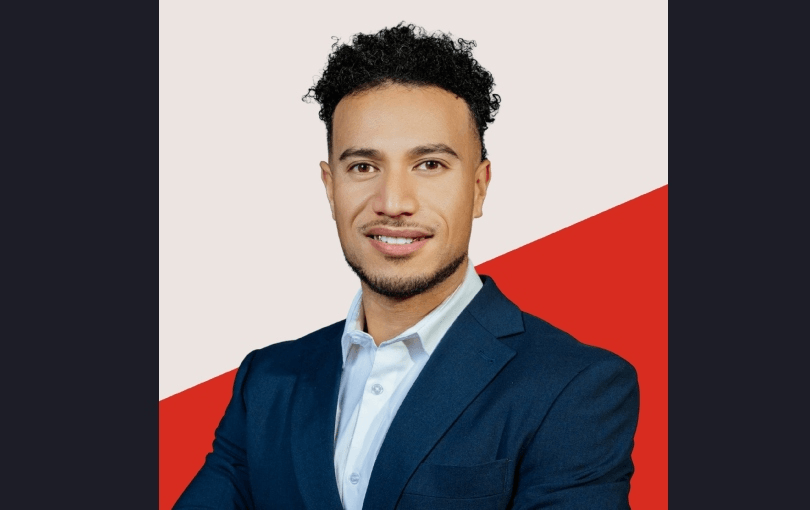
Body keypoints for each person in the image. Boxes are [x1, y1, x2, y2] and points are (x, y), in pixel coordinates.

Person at [175, 23, 639, 510]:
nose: (393, 202)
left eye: (430, 164)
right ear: (330, 188)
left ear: (479, 187)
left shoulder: (574, 386)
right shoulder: (267, 381)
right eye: (363, 167)